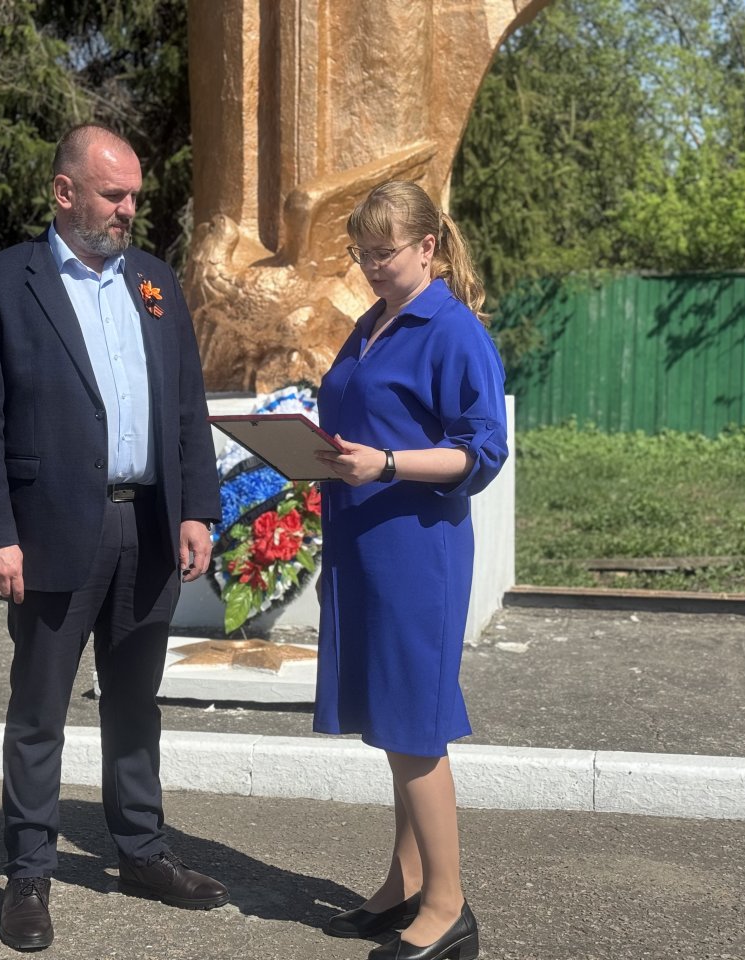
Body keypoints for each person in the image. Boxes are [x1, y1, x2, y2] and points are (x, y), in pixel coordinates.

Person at [0, 123, 227, 952]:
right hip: (49, 531)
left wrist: (197, 509)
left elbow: (186, 404)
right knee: (39, 710)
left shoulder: (155, 282)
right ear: (65, 192)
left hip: (148, 524)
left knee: (135, 704)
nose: (129, 208)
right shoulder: (0, 285)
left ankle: (141, 851)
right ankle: (29, 872)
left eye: (134, 194)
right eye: (114, 194)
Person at [312, 180, 509, 960]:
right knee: (391, 720)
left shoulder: (452, 330)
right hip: (363, 540)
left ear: (428, 246)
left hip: (415, 550)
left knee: (416, 726)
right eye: (360, 252)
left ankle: (448, 907)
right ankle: (405, 881)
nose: (370, 266)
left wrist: (387, 463)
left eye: (383, 252)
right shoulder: (372, 322)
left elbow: (482, 451)